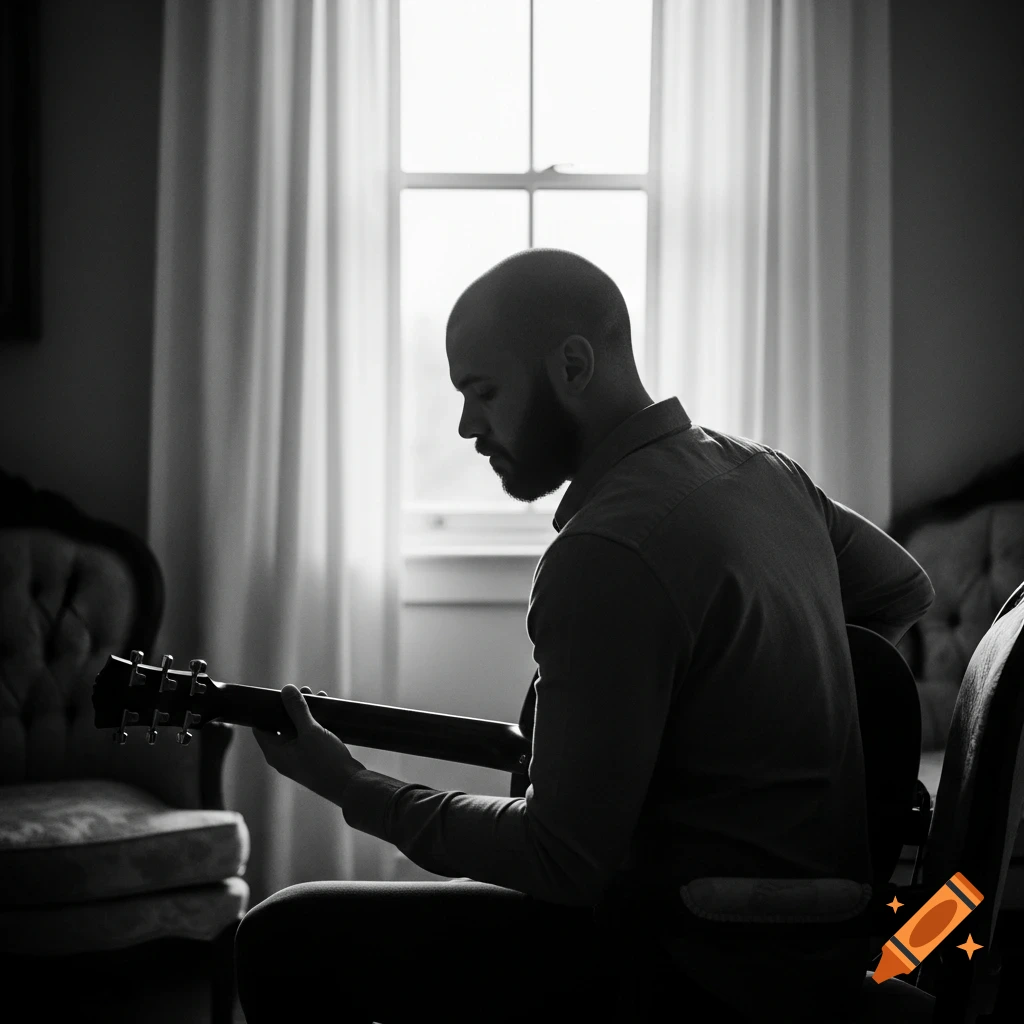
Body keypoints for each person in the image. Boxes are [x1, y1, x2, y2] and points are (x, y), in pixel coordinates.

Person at [236, 248, 935, 1022]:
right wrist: (738, 708)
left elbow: (560, 858)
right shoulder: (764, 473)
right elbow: (902, 588)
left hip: (695, 961)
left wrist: (349, 784)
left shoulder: (608, 551)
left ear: (572, 364)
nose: (468, 426)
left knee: (283, 936)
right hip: (811, 936)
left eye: (483, 391)